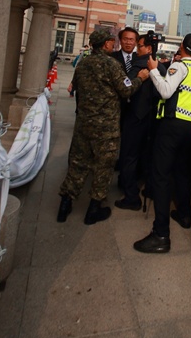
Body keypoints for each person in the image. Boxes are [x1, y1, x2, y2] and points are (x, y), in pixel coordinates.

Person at [57, 29, 149, 225]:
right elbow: (126, 89)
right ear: (106, 44)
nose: (113, 44)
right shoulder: (111, 64)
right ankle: (93, 209)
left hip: (83, 124)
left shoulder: (82, 64)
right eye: (111, 41)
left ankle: (64, 205)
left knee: (78, 165)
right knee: (103, 167)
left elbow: (76, 89)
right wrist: (141, 77)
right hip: (106, 127)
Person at [133, 33, 191, 254]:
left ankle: (161, 234)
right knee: (181, 171)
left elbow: (165, 91)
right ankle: (184, 214)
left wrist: (153, 69)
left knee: (161, 177)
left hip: (171, 127)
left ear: (182, 47)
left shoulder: (178, 67)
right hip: (188, 128)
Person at [115, 33, 165, 211]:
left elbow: (125, 86)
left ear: (148, 48)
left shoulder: (138, 65)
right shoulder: (160, 67)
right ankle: (147, 188)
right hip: (151, 120)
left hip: (135, 118)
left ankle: (131, 197)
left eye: (140, 45)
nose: (137, 48)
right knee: (146, 156)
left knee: (128, 157)